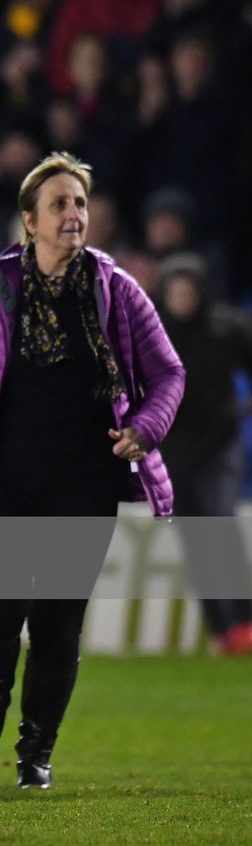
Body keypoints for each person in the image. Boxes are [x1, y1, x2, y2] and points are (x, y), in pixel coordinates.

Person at [0, 152, 184, 788]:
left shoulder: (115, 287)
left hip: (85, 483)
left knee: (58, 621)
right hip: (5, 480)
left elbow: (169, 374)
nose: (74, 215)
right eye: (59, 204)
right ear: (30, 220)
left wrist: (144, 429)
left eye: (79, 203)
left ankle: (37, 752)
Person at [154, 254, 252, 654]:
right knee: (196, 539)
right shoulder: (150, 333)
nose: (181, 299)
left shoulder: (224, 327)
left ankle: (244, 620)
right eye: (174, 292)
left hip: (219, 442)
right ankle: (221, 629)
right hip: (174, 450)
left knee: (219, 523)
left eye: (187, 291)